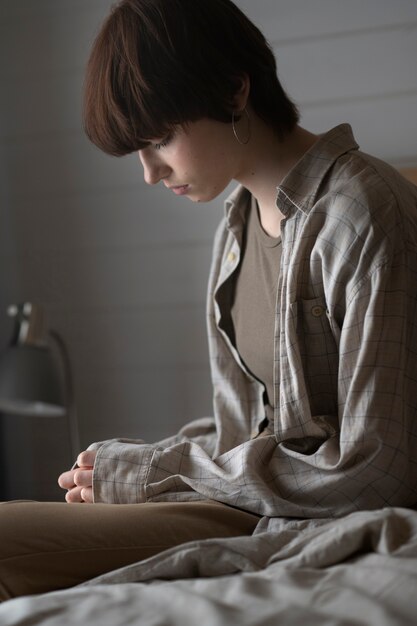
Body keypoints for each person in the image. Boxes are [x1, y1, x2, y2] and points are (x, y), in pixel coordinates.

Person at [1, 0, 417, 602]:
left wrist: (161, 471)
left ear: (232, 91)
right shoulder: (235, 227)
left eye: (162, 138)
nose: (149, 172)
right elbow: (242, 431)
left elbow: (378, 474)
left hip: (309, 514)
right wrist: (148, 466)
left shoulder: (362, 213)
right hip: (249, 503)